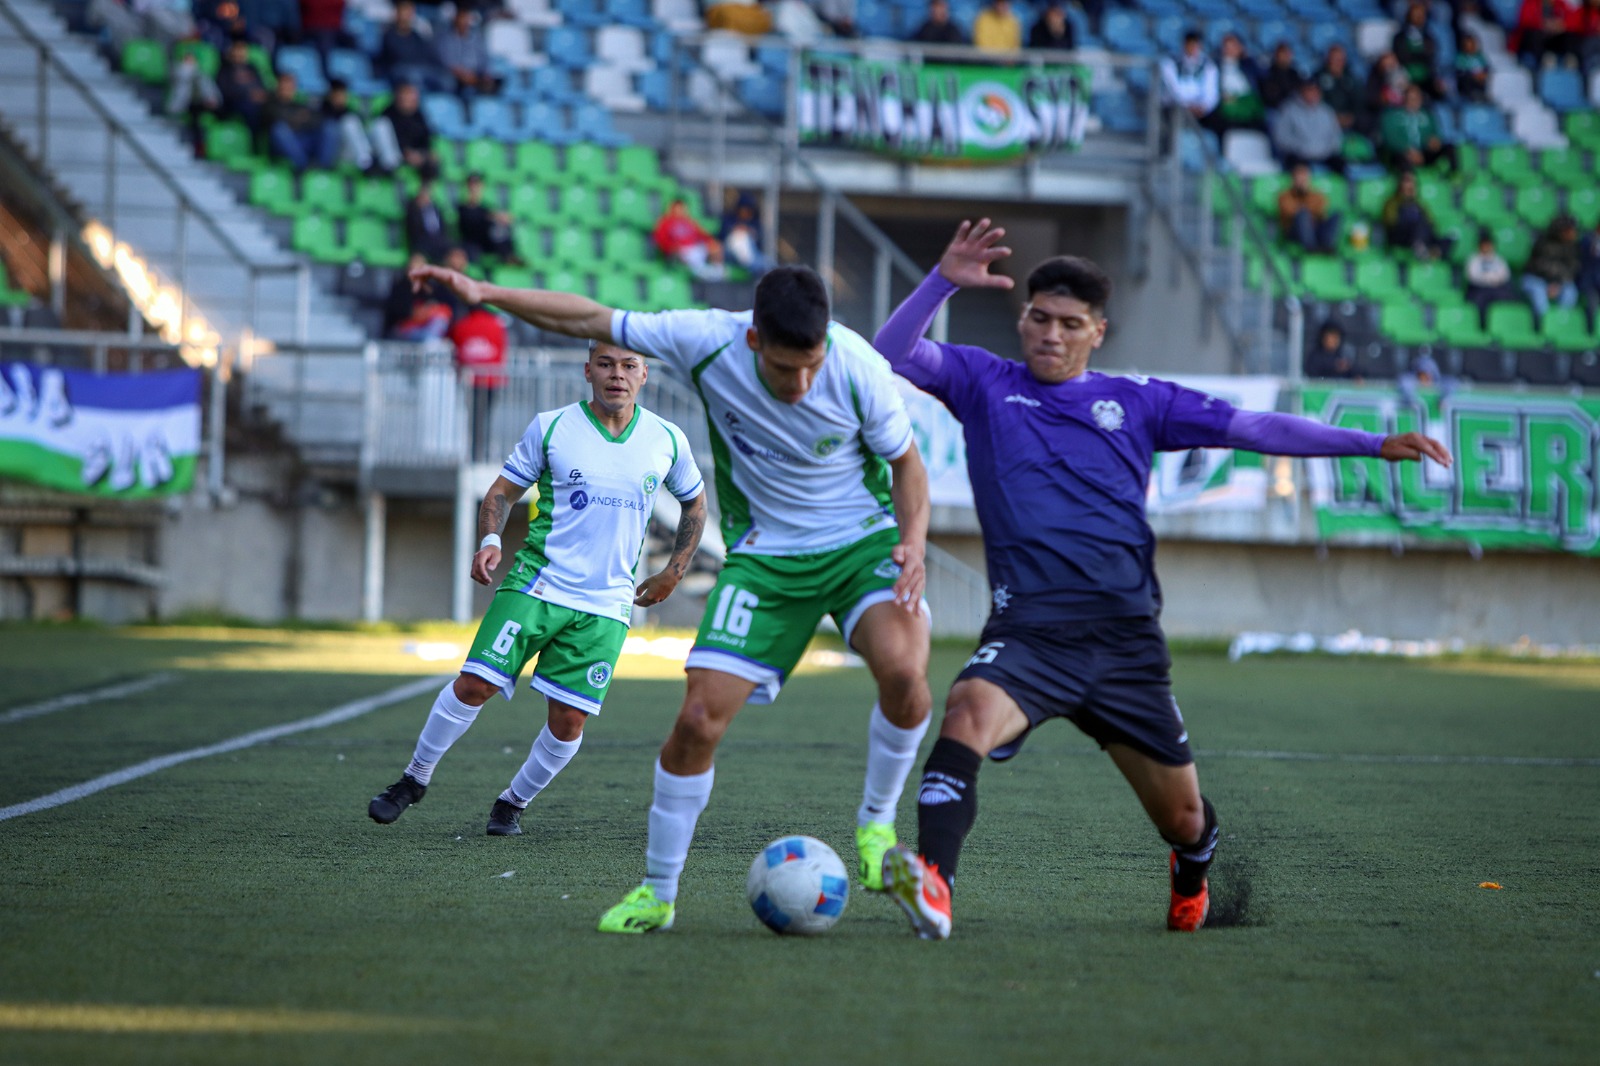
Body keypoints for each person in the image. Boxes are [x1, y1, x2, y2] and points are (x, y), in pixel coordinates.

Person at [868, 219, 1453, 940]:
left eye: (1070, 324)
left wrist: (1368, 444)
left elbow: (1256, 429)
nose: (1051, 334)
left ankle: (1192, 869)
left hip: (1126, 645)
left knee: (1183, 818)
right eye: (1040, 318)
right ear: (1022, 319)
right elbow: (887, 355)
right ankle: (935, 884)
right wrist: (941, 283)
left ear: (1098, 332)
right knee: (964, 713)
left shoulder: (1140, 401)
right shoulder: (985, 383)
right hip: (1029, 634)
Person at [407, 261, 935, 935]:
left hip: (860, 546)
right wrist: (486, 296)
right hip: (767, 561)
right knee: (695, 723)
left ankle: (875, 832)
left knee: (904, 670)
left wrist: (913, 543)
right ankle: (658, 895)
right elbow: (585, 316)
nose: (800, 385)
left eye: (811, 365)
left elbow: (907, 464)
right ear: (752, 343)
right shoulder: (706, 338)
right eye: (783, 369)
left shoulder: (857, 366)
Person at [368, 339, 709, 836]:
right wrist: (489, 539)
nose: (617, 374)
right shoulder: (551, 426)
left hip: (607, 606)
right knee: (474, 684)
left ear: (644, 376)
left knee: (570, 722)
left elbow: (695, 506)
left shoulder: (667, 439)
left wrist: (674, 571)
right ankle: (413, 780)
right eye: (606, 364)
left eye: (629, 365)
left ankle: (513, 802)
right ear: (587, 370)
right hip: (536, 584)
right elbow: (503, 492)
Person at [452, 302, 507, 462]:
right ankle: (483, 454)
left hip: (471, 382)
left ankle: (477, 454)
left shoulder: (462, 324)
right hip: (492, 380)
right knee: (485, 418)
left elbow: (457, 350)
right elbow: (501, 350)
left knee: (475, 419)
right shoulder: (495, 324)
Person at [262, 71, 336, 173]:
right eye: (284, 85)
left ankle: (323, 168)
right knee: (279, 129)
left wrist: (296, 121)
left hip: (304, 141)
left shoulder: (299, 105)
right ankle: (303, 166)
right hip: (285, 146)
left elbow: (316, 120)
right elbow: (274, 119)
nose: (287, 89)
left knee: (330, 126)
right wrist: (298, 119)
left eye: (290, 86)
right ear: (278, 86)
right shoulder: (270, 104)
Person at [1272, 82, 1346, 174]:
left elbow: (1336, 137)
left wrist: (1325, 150)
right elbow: (1281, 137)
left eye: (1315, 91)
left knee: (1341, 164)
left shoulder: (1327, 111)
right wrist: (1301, 148)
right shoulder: (1288, 109)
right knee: (1295, 165)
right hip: (1299, 154)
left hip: (1324, 154)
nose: (1312, 94)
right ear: (1302, 92)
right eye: (1309, 91)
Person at [1379, 84, 1457, 172]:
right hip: (1404, 153)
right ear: (1404, 99)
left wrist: (1435, 141)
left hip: (1423, 151)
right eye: (1411, 98)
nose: (1414, 102)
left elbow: (1435, 133)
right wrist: (1408, 150)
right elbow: (1390, 139)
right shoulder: (1392, 117)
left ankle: (1454, 176)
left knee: (1449, 148)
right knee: (1398, 157)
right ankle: (1407, 180)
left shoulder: (1427, 116)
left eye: (1417, 98)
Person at [378, 0, 449, 92]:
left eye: (410, 11)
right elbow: (399, 57)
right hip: (398, 71)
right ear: (397, 12)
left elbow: (428, 55)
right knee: (413, 76)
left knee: (446, 80)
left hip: (420, 69)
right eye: (404, 10)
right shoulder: (389, 35)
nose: (407, 14)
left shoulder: (416, 36)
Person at [1382, 170, 1452, 258]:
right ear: (1400, 185)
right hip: (1400, 235)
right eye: (1407, 181)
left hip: (1420, 235)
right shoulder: (1392, 202)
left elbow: (1430, 222)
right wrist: (1405, 201)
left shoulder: (1419, 203)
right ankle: (1423, 250)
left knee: (1449, 239)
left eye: (1412, 182)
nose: (1410, 185)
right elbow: (1391, 222)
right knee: (1418, 225)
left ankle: (1430, 252)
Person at [372, 81, 437, 177]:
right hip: (393, 155)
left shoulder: (418, 115)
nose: (411, 100)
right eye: (406, 97)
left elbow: (425, 138)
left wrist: (424, 154)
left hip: (414, 154)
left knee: (432, 161)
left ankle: (424, 190)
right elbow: (390, 140)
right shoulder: (388, 115)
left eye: (413, 97)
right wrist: (407, 153)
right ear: (398, 97)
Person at [384, 252, 455, 339]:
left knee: (439, 321)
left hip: (425, 329)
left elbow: (445, 310)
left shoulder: (430, 288)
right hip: (402, 330)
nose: (418, 268)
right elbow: (401, 313)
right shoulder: (400, 287)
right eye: (415, 264)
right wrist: (421, 313)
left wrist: (430, 311)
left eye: (421, 265)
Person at [1203, 33, 1263, 135]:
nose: (1229, 50)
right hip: (1225, 104)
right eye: (1227, 47)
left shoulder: (1248, 65)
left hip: (1246, 103)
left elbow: (1260, 82)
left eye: (1233, 46)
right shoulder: (1215, 66)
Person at [1522, 215, 1582, 317]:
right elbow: (1540, 267)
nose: (1572, 233)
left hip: (1559, 282)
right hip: (1536, 279)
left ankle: (1561, 322)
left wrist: (1558, 283)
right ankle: (1543, 325)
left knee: (1571, 292)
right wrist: (1552, 283)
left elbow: (1573, 268)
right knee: (1539, 293)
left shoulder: (1572, 246)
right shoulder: (1542, 243)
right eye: (1568, 230)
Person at [652, 198, 725, 281]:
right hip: (678, 251)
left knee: (715, 246)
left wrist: (711, 242)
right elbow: (660, 240)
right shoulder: (665, 222)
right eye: (677, 208)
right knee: (687, 256)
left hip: (694, 248)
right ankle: (700, 273)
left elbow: (703, 235)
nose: (680, 211)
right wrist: (670, 247)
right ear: (672, 209)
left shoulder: (690, 222)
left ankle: (718, 273)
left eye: (682, 208)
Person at [457, 172, 521, 263]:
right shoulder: (462, 207)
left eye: (477, 184)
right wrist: (493, 217)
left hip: (487, 242)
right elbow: (468, 224)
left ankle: (510, 255)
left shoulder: (486, 208)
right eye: (472, 184)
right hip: (472, 243)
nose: (474, 188)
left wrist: (500, 218)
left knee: (501, 229)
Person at [1278, 164, 1341, 254]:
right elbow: (1290, 211)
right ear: (1293, 179)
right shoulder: (1284, 195)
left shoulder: (1316, 195)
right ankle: (1310, 248)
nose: (1301, 182)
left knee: (1336, 215)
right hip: (1294, 231)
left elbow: (1321, 210)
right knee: (1302, 214)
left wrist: (1304, 206)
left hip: (1315, 228)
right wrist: (1306, 209)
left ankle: (1326, 246)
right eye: (1299, 179)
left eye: (1304, 178)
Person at [1160, 30, 1219, 126]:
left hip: (1200, 111)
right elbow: (1173, 89)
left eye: (1195, 45)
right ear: (1184, 45)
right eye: (1189, 44)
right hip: (1174, 108)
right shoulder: (1170, 63)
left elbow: (1211, 92)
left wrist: (1203, 106)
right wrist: (1187, 106)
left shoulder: (1208, 65)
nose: (1192, 48)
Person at [322, 79, 382, 173]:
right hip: (335, 154)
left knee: (379, 124)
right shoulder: (323, 111)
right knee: (349, 123)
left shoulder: (350, 111)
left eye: (343, 94)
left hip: (352, 152)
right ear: (331, 94)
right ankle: (366, 163)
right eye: (338, 94)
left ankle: (373, 161)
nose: (341, 97)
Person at [438, 7, 499, 96]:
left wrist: (486, 74)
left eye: (467, 17)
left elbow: (484, 58)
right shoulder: (446, 39)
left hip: (477, 75)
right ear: (455, 18)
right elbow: (448, 63)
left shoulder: (477, 38)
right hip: (457, 77)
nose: (464, 21)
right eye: (462, 17)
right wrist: (465, 75)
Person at [1393, 1, 1446, 99]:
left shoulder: (1429, 37)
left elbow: (1431, 57)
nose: (1419, 17)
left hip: (1426, 78)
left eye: (1421, 14)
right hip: (1406, 76)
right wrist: (1421, 55)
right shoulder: (1399, 37)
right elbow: (1403, 56)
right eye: (1415, 14)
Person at [1464, 230, 1517, 325]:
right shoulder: (1474, 259)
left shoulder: (1498, 259)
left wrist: (1494, 280)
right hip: (1479, 288)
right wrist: (1489, 279)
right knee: (1479, 301)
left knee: (1510, 297)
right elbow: (1473, 276)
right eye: (1484, 245)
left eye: (1489, 245)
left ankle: (1507, 324)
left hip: (1497, 287)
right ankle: (1482, 324)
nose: (1487, 248)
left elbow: (1505, 275)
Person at [217, 36, 269, 130]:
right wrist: (249, 95)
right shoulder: (225, 69)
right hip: (235, 103)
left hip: (256, 100)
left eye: (242, 49)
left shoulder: (252, 67)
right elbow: (224, 90)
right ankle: (252, 140)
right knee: (252, 109)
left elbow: (261, 85)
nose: (240, 53)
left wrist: (261, 94)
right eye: (237, 49)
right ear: (231, 51)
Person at [1512, 0, 1582, 67]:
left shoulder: (1560, 4)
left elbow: (1574, 19)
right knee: (1534, 35)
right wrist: (1543, 24)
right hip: (1536, 37)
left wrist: (1562, 24)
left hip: (1552, 38)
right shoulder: (1531, 2)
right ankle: (1544, 59)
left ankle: (1570, 59)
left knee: (1570, 34)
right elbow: (1525, 20)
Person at [1314, 43, 1365, 133]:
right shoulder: (1318, 78)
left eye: (1340, 59)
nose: (1338, 62)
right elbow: (1316, 102)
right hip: (1324, 121)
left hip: (1350, 122)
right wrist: (1334, 117)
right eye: (1334, 59)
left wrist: (1351, 117)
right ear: (1328, 60)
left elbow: (1359, 101)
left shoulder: (1351, 78)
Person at [719, 191, 772, 276]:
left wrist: (749, 231)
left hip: (753, 254)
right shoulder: (729, 218)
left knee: (769, 263)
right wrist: (738, 229)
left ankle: (756, 266)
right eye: (745, 209)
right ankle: (754, 266)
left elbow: (759, 243)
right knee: (739, 236)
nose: (747, 212)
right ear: (739, 208)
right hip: (730, 254)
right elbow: (721, 236)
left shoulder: (754, 222)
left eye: (750, 209)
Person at [405, 181, 453, 261]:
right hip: (422, 242)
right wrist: (418, 208)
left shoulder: (436, 208)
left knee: (455, 253)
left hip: (439, 240)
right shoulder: (413, 209)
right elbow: (413, 230)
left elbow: (443, 228)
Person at [1257, 42, 1303, 113]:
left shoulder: (1294, 73)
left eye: (1287, 54)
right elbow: (1270, 96)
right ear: (1276, 55)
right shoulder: (1269, 73)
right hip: (1275, 108)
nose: (1285, 57)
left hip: (1293, 108)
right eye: (1282, 54)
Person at [1454, 33, 1491, 103]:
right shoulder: (1461, 57)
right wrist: (1474, 75)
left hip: (1480, 81)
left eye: (1473, 44)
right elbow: (1460, 71)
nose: (1472, 46)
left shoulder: (1479, 56)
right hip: (1466, 83)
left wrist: (1483, 74)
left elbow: (1486, 68)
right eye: (1469, 44)